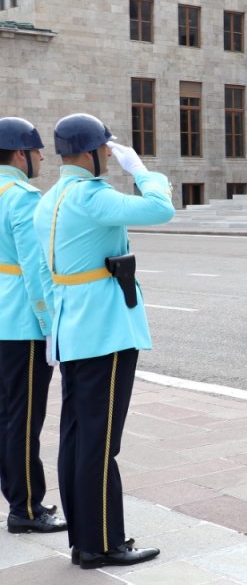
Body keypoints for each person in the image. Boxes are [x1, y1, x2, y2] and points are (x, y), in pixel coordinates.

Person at [34, 114, 172, 568]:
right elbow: (160, 208)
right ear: (92, 152)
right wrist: (142, 171)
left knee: (77, 436)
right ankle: (103, 543)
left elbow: (43, 272)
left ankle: (84, 537)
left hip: (73, 328)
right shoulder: (92, 197)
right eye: (106, 154)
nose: (110, 163)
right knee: (101, 441)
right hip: (105, 331)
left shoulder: (50, 199)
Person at [0, 118, 66, 535]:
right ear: (21, 154)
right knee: (24, 417)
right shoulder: (22, 196)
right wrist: (50, 323)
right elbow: (35, 267)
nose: (42, 157)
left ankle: (16, 495)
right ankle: (25, 506)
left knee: (7, 412)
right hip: (20, 319)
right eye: (38, 150)